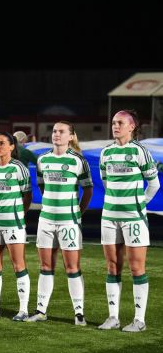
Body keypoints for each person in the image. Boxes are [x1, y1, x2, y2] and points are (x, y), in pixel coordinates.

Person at [98, 110, 160, 332]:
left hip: (133, 218)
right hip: (109, 216)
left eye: (120, 123)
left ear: (132, 126)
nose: (115, 126)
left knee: (136, 268)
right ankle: (113, 317)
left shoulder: (140, 152)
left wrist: (139, 203)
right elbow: (106, 182)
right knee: (112, 266)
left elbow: (154, 184)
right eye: (113, 122)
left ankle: (139, 320)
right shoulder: (106, 153)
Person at [26, 121, 93, 326]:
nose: (56, 134)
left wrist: (77, 212)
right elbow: (41, 184)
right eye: (54, 131)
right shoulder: (42, 159)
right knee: (46, 266)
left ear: (71, 136)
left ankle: (79, 314)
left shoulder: (78, 160)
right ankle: (40, 310)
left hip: (69, 221)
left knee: (72, 268)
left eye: (61, 131)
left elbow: (87, 190)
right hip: (46, 220)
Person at [0, 132, 32, 320]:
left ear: (11, 147)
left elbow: (28, 196)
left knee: (18, 265)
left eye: (2, 143)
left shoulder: (19, 168)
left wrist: (19, 215)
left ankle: (23, 310)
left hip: (13, 223)